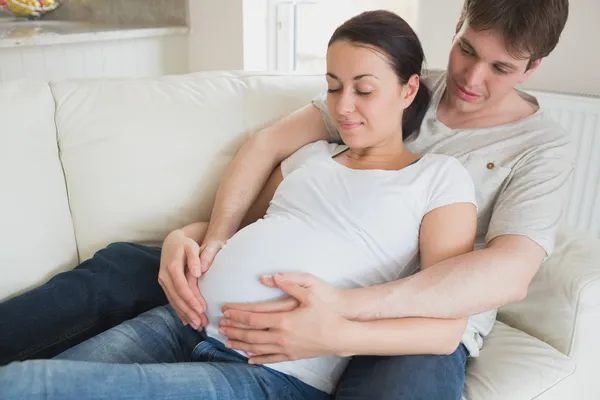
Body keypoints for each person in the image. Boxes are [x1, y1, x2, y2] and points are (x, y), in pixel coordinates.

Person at [0, 0, 572, 398]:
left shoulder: (523, 152)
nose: (471, 76)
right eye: (467, 49)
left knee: (402, 387)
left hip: (403, 313)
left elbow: (507, 275)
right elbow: (269, 154)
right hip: (219, 312)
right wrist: (208, 235)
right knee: (123, 265)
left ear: (533, 67)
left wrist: (343, 317)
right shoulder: (385, 85)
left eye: (500, 68)